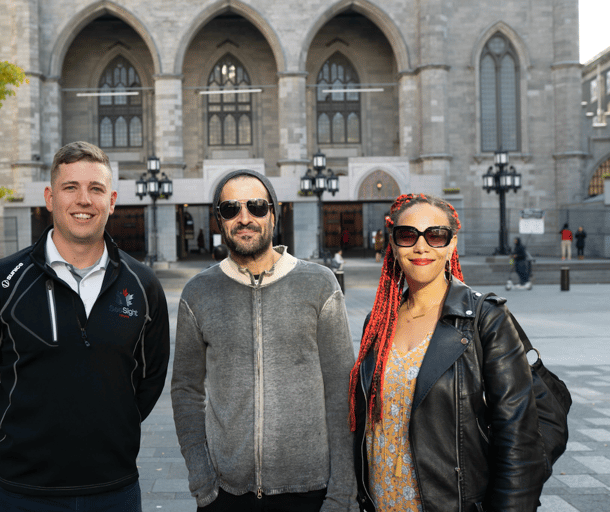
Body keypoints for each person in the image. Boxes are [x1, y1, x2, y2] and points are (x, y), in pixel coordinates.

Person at [0, 141, 170, 512]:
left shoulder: (144, 285)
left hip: (115, 490)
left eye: (96, 189)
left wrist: (110, 428)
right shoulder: (1, 282)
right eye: (71, 187)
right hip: (25, 493)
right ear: (50, 198)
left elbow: (149, 381)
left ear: (113, 200)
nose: (83, 200)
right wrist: (23, 435)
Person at [171, 169, 355, 511]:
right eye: (230, 209)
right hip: (225, 495)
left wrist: (342, 492)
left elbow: (341, 388)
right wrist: (202, 480)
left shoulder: (319, 283)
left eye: (256, 206)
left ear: (274, 213)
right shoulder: (198, 293)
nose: (245, 218)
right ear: (219, 221)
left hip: (309, 491)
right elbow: (185, 389)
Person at [349, 193, 545, 512]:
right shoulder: (379, 322)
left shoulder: (486, 320)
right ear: (394, 245)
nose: (421, 246)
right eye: (407, 235)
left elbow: (519, 441)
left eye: (436, 235)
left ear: (452, 244)